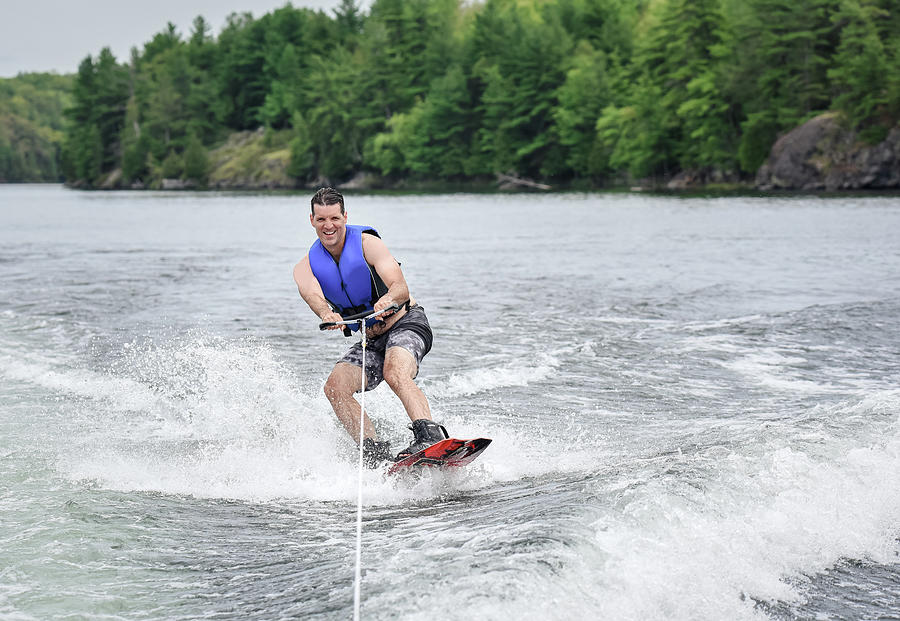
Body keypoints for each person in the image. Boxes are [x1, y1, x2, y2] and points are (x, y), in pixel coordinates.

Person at [293, 187, 448, 467]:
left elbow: (400, 288)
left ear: (345, 217)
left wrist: (388, 299)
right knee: (335, 387)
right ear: (312, 220)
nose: (329, 226)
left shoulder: (367, 244)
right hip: (371, 338)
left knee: (394, 372)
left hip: (406, 323)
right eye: (321, 219)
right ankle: (373, 452)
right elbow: (311, 293)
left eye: (335, 218)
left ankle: (430, 435)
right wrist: (327, 313)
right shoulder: (306, 266)